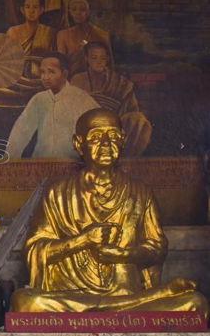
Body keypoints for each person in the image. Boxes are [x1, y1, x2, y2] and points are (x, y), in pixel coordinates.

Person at [11, 109, 208, 317]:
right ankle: (131, 304)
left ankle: (114, 307)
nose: (106, 143)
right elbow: (35, 248)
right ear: (79, 144)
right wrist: (83, 240)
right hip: (71, 294)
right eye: (96, 137)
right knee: (25, 303)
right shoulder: (57, 193)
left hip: (124, 293)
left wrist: (123, 254)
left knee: (196, 304)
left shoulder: (140, 193)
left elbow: (157, 248)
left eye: (113, 136)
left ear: (122, 140)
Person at [6, 52, 98, 159]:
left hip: (72, 163)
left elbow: (101, 124)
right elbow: (20, 131)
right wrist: (9, 160)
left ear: (64, 74)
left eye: (51, 72)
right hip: (41, 162)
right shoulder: (39, 99)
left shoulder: (80, 97)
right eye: (42, 72)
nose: (45, 77)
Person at [70, 42, 151, 156]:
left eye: (103, 58)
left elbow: (132, 109)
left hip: (114, 126)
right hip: (87, 126)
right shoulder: (77, 80)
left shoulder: (121, 82)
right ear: (87, 59)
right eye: (94, 57)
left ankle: (124, 158)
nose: (99, 61)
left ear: (107, 59)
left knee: (138, 119)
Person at [0, 0, 56, 109]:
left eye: (35, 7)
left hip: (40, 78)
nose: (31, 11)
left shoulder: (49, 32)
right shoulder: (13, 31)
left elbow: (54, 60)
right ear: (22, 10)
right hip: (17, 78)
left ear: (42, 10)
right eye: (28, 7)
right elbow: (7, 58)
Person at [56, 0, 113, 75]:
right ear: (70, 12)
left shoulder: (101, 34)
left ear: (88, 12)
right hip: (72, 78)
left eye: (82, 9)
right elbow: (61, 63)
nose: (78, 12)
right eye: (74, 9)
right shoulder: (62, 35)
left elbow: (110, 63)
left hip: (97, 77)